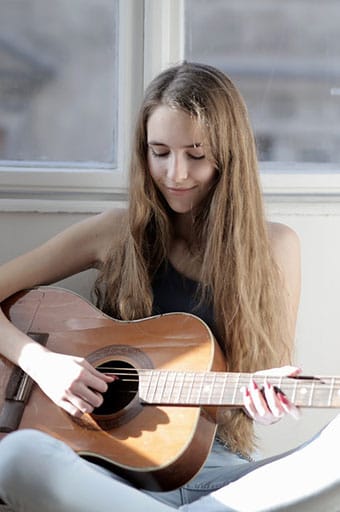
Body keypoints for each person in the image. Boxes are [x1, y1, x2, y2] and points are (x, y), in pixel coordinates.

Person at [0, 61, 337, 512]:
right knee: (18, 457)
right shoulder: (114, 232)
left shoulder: (275, 248)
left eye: (195, 155)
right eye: (160, 152)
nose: (176, 174)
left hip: (219, 480)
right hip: (103, 475)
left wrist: (262, 400)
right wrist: (40, 362)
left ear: (228, 154)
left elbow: (263, 379)